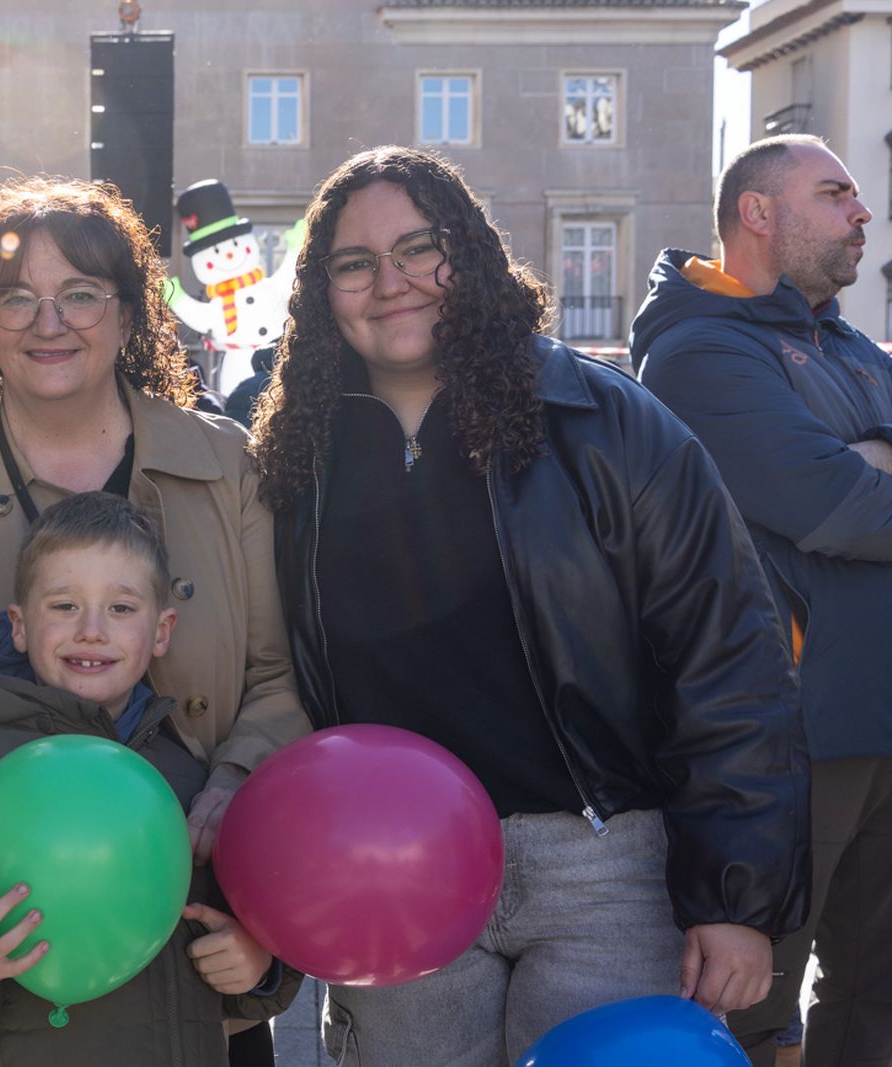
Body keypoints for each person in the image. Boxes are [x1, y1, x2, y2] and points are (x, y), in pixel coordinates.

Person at [252, 145, 811, 1065]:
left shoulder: (602, 420)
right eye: (355, 263)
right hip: (388, 868)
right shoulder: (293, 455)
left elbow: (730, 653)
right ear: (322, 291)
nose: (392, 283)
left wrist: (734, 898)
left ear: (467, 255)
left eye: (420, 248)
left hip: (599, 869)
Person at [0, 176, 308, 866]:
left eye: (80, 294)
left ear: (128, 316)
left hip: (195, 869)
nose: (48, 321)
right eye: (15, 298)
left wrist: (237, 779)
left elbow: (277, 676)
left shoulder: (230, 465)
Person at [0, 492, 298, 1063]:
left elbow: (243, 917)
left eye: (121, 608)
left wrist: (260, 966)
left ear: (163, 630)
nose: (91, 630)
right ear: (18, 625)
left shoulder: (185, 775)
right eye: (64, 605)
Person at [632, 133, 892, 1067]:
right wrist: (858, 467)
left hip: (882, 720)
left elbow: (853, 498)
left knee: (877, 1004)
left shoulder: (855, 347)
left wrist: (860, 471)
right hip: (784, 740)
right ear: (757, 212)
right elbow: (830, 502)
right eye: (836, 193)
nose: (863, 213)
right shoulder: (697, 350)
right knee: (748, 1013)